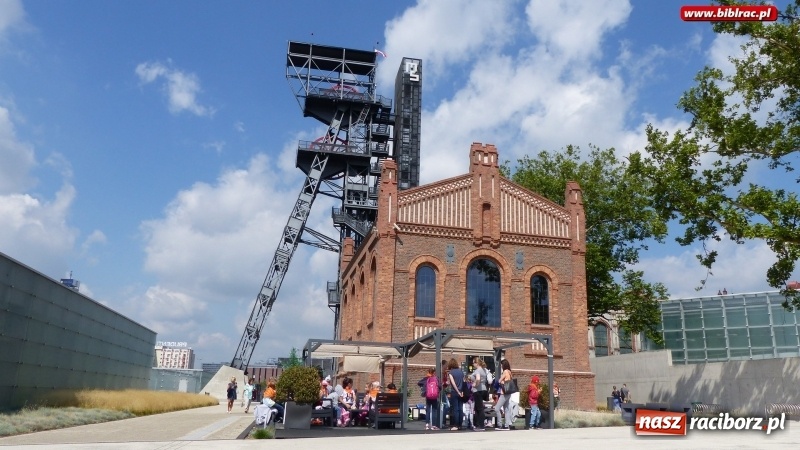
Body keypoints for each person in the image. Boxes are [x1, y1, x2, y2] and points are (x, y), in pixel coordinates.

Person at [446, 358, 465, 430]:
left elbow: (453, 383)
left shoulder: (451, 373)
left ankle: (456, 425)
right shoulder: (461, 372)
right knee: (460, 408)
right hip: (461, 391)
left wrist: (457, 391)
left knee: (455, 409)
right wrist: (462, 391)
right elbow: (463, 382)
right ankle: (460, 424)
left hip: (455, 392)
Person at [494, 359, 513, 430]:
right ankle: (507, 425)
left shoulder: (505, 372)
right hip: (509, 393)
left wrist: (500, 382)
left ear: (503, 365)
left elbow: (499, 381)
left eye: (501, 364)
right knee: (506, 409)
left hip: (504, 393)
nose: (501, 366)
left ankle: (499, 424)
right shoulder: (509, 372)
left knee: (497, 408)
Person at [471, 357, 488, 431]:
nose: (473, 364)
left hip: (478, 390)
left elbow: (478, 379)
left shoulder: (478, 370)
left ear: (476, 363)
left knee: (479, 408)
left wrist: (475, 384)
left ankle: (481, 426)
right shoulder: (484, 370)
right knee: (478, 408)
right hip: (484, 389)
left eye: (473, 363)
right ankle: (478, 424)